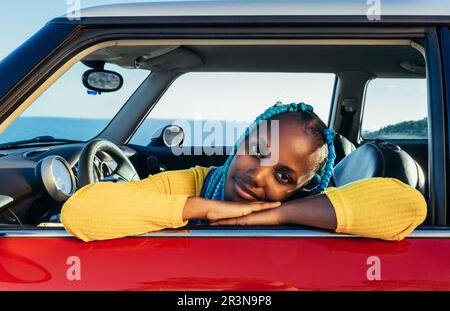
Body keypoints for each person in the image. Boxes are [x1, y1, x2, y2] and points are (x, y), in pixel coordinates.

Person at [61, 102, 427, 242]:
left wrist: (277, 215)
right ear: (242, 142)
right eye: (257, 152)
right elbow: (81, 213)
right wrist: (201, 208)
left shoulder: (312, 205)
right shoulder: (194, 181)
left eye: (283, 177)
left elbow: (408, 207)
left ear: (302, 187)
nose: (256, 176)